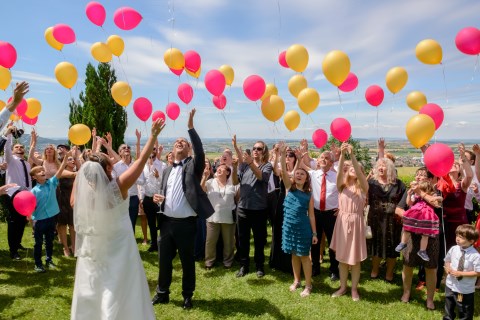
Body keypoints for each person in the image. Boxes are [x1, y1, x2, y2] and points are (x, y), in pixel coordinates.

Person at [70, 118, 164, 320]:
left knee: (95, 286)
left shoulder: (84, 197)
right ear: (109, 170)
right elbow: (139, 163)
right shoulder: (117, 188)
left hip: (94, 248)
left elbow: (73, 201)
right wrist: (153, 137)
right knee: (120, 286)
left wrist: (92, 152)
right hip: (121, 246)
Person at [151, 109, 214, 309]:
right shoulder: (168, 169)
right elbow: (164, 194)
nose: (180, 142)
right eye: (177, 141)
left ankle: (187, 295)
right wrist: (156, 199)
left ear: (188, 149)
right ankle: (162, 293)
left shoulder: (193, 166)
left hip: (187, 224)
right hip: (167, 223)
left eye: (183, 142)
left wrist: (190, 128)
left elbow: (201, 151)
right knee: (164, 262)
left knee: (187, 262)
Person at [330, 143, 368, 301]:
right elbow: (339, 172)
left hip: (357, 223)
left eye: (357, 167)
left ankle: (354, 289)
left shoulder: (363, 187)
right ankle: (343, 287)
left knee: (356, 260)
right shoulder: (342, 186)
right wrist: (342, 155)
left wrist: (353, 156)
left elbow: (359, 175)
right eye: (351, 167)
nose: (353, 168)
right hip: (342, 223)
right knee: (342, 259)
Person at [278, 143, 317, 297]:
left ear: (306, 178)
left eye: (303, 174)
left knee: (304, 257)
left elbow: (312, 215)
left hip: (303, 229)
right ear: (293, 176)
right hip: (288, 227)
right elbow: (282, 170)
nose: (299, 175)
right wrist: (282, 155)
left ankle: (308, 285)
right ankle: (296, 280)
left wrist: (314, 233)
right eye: (297, 173)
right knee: (294, 255)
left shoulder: (309, 195)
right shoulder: (289, 187)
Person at [300, 148, 340, 281]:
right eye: (321, 157)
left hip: (331, 214)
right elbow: (299, 169)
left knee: (333, 243)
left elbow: (344, 193)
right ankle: (315, 267)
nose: (323, 159)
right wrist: (301, 155)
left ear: (332, 163)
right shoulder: (313, 174)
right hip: (315, 213)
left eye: (326, 158)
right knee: (315, 242)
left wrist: (341, 207)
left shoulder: (337, 177)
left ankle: (334, 269)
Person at [235, 140, 273, 278]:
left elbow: (261, 177)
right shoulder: (244, 166)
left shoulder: (267, 166)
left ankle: (259, 265)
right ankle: (243, 266)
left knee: (259, 239)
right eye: (254, 148)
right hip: (243, 208)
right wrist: (235, 167)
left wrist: (250, 162)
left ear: (264, 151)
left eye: (259, 148)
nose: (256, 150)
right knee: (243, 239)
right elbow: (235, 181)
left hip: (259, 209)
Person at [367, 157, 406, 282]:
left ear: (390, 168)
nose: (381, 168)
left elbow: (403, 202)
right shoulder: (371, 183)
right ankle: (375, 269)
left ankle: (389, 273)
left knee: (392, 246)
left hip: (393, 221)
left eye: (384, 166)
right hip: (375, 219)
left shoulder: (399, 184)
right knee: (376, 245)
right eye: (379, 165)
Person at [30, 152, 69, 272]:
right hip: (39, 220)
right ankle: (38, 264)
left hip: (51, 218)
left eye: (43, 170)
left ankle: (49, 259)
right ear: (34, 177)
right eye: (39, 172)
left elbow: (60, 171)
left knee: (49, 241)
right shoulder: (33, 191)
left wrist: (65, 159)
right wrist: (31, 220)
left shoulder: (51, 183)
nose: (42, 172)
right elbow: (31, 208)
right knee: (38, 243)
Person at [202, 161, 239, 269]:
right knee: (210, 241)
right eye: (218, 167)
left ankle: (228, 262)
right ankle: (209, 262)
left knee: (229, 242)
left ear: (228, 172)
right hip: (212, 217)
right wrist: (204, 177)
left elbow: (237, 198)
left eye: (222, 168)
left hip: (228, 217)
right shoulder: (210, 182)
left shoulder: (233, 184)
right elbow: (201, 190)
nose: (219, 169)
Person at [4, 125, 33, 260]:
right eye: (17, 147)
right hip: (13, 194)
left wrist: (30, 192)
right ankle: (13, 250)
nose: (19, 148)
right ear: (13, 150)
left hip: (25, 195)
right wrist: (9, 134)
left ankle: (18, 243)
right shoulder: (10, 160)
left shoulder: (26, 163)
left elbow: (28, 180)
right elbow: (6, 149)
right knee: (14, 222)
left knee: (22, 221)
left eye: (21, 147)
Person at [437, 144, 473, 251]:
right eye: (450, 164)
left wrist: (463, 157)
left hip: (459, 221)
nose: (453, 165)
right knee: (445, 247)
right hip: (444, 220)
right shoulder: (440, 184)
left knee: (461, 247)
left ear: (459, 170)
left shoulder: (462, 184)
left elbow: (470, 175)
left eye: (456, 164)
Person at [395, 180, 441, 262]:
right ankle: (403, 243)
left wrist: (437, 197)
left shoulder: (431, 195)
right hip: (415, 214)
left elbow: (438, 201)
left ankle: (422, 250)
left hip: (426, 217)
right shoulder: (416, 196)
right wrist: (409, 194)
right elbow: (409, 203)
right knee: (407, 229)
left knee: (425, 234)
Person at [443, 224, 480, 320]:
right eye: (457, 236)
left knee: (463, 309)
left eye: (461, 237)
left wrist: (461, 274)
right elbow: (447, 260)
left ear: (471, 241)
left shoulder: (475, 255)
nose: (457, 239)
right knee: (448, 307)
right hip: (450, 285)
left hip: (463, 289)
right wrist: (447, 268)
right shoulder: (454, 249)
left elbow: (478, 272)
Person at [57, 152, 77, 257]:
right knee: (63, 225)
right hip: (62, 201)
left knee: (73, 225)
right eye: (69, 159)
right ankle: (65, 248)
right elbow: (73, 175)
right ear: (64, 162)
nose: (73, 160)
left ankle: (73, 246)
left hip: (73, 202)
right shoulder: (62, 171)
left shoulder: (76, 172)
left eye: (73, 159)